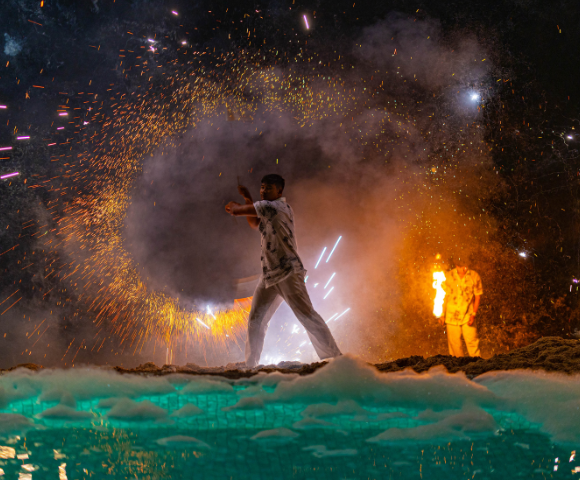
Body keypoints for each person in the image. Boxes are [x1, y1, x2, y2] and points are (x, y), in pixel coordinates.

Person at [225, 174, 342, 367]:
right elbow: (254, 223)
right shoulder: (268, 209)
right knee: (256, 319)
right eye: (262, 187)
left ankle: (336, 359)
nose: (263, 191)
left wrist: (234, 206)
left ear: (279, 191)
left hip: (288, 272)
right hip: (269, 276)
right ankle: (250, 364)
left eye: (268, 188)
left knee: (307, 315)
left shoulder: (274, 207)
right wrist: (247, 198)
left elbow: (238, 212)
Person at [438, 256, 483, 357]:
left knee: (472, 343)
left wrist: (474, 314)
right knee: (454, 347)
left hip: (468, 315)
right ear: (456, 265)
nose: (464, 269)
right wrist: (441, 314)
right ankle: (458, 369)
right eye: (461, 267)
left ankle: (478, 367)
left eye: (465, 266)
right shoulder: (448, 276)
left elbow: (477, 297)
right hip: (451, 316)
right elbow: (443, 296)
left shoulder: (474, 276)